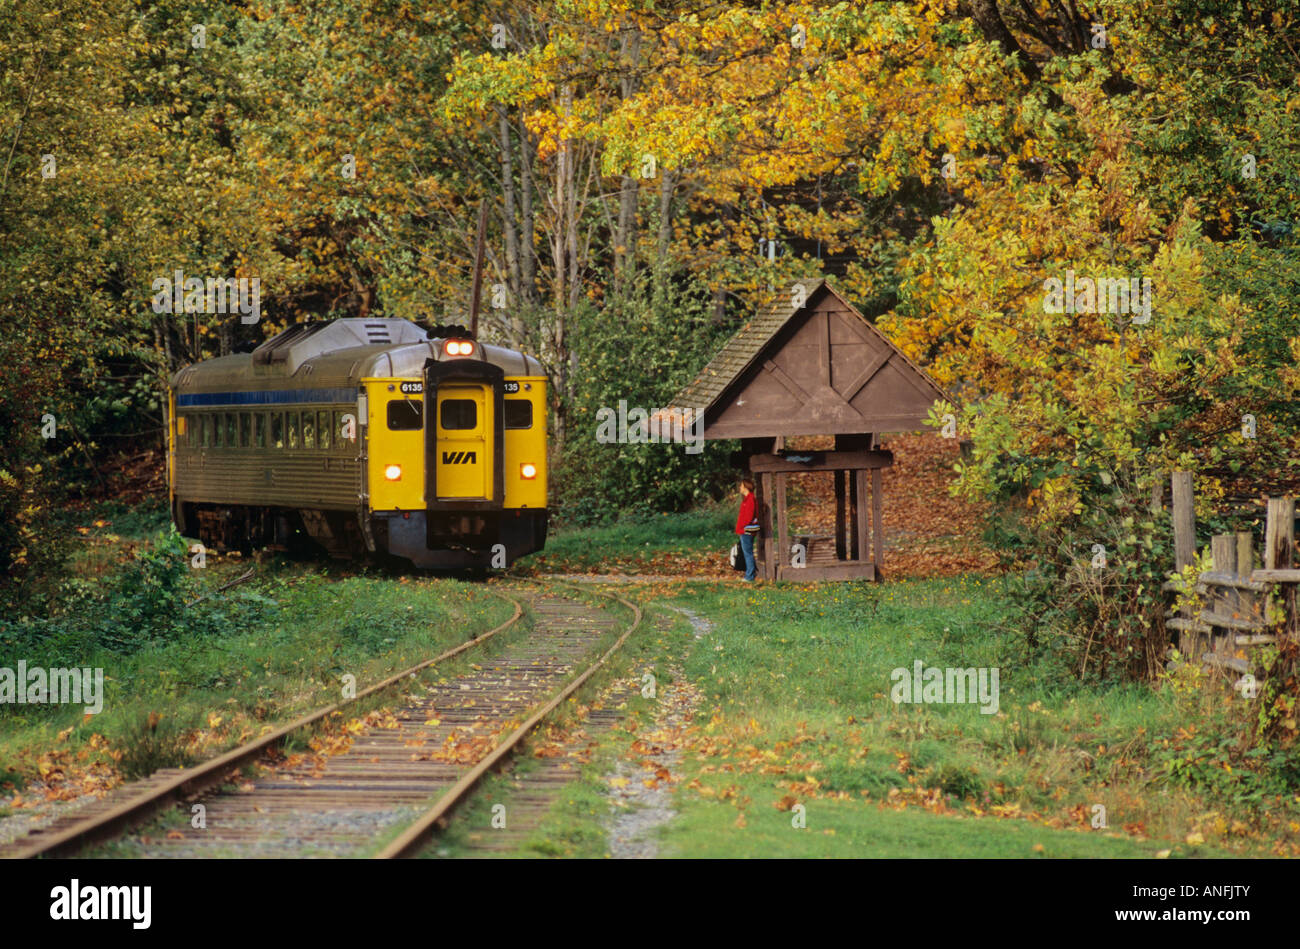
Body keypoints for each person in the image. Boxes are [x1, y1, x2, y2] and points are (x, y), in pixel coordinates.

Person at [735, 478, 759, 581]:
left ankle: (749, 576)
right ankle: (750, 574)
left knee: (748, 553)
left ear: (745, 487)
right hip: (745, 529)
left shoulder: (750, 499)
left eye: (741, 486)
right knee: (747, 552)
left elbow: (748, 517)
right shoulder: (748, 499)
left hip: (746, 530)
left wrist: (741, 526)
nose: (740, 488)